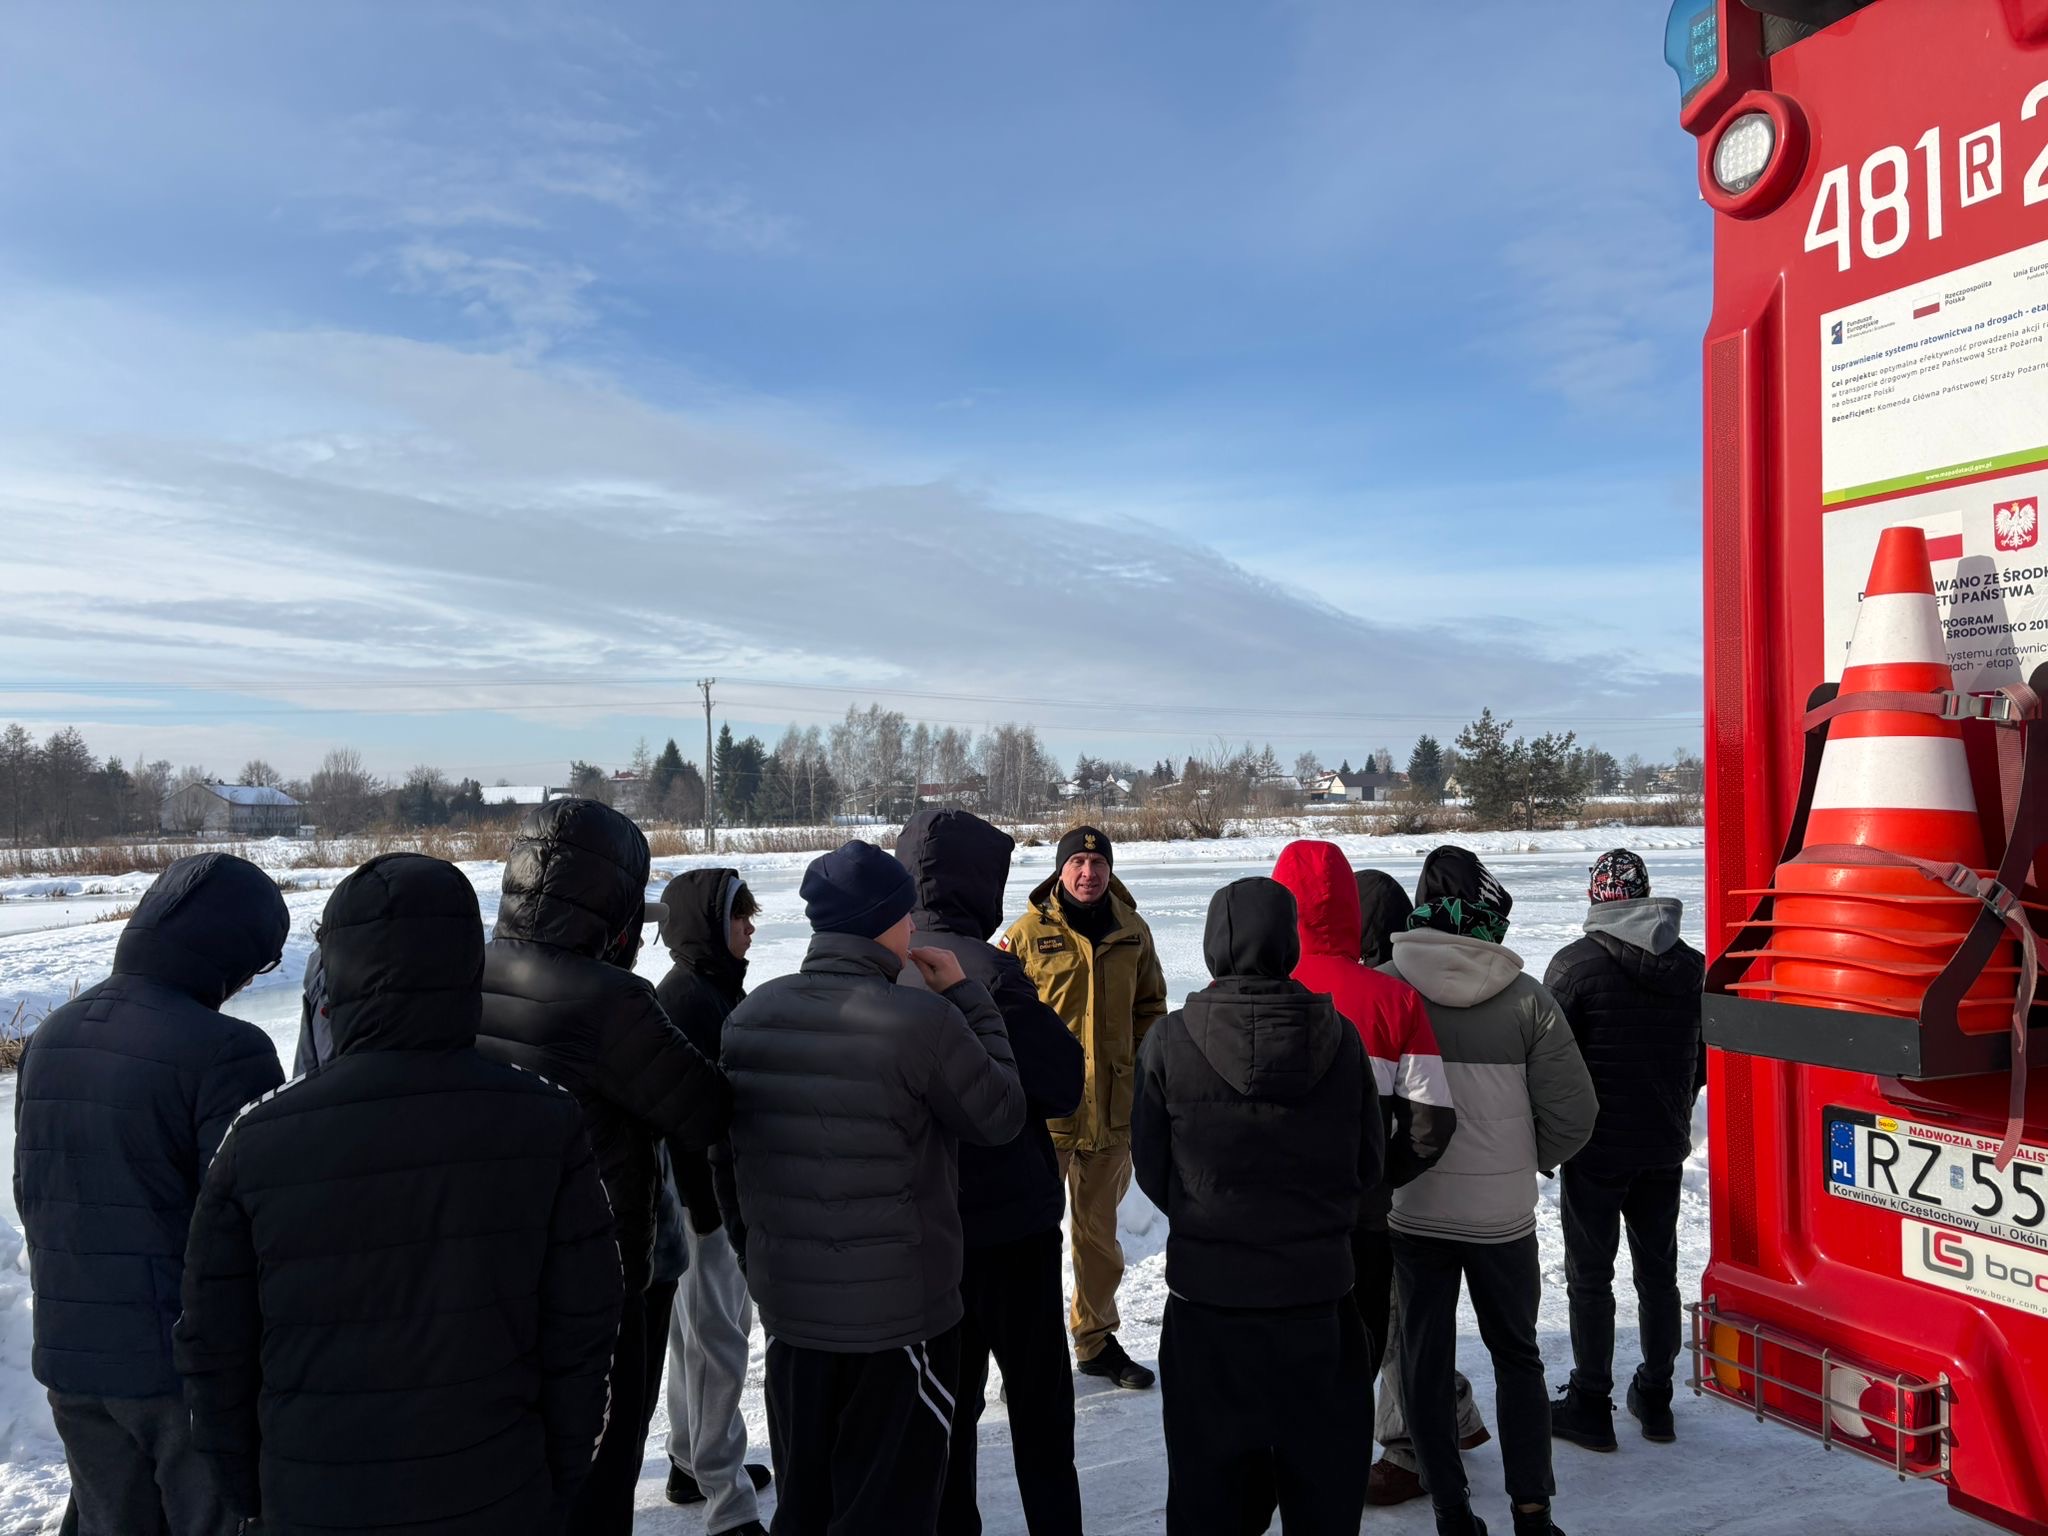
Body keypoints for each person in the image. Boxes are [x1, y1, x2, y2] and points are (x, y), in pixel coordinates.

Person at [174, 853, 623, 1535]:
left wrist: (254, 1490)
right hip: (496, 1491)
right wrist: (554, 1474)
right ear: (464, 965)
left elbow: (213, 1347)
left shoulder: (260, 1138)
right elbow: (584, 1329)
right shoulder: (544, 1119)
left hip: (315, 1499)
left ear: (338, 971)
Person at [720, 840, 1025, 1536]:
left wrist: (761, 1257)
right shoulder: (922, 1021)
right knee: (888, 1507)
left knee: (806, 1505)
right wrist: (967, 996)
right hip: (898, 1328)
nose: (914, 926)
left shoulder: (750, 1017)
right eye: (905, 914)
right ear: (882, 920)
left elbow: (727, 1158)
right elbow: (1001, 1114)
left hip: (795, 1319)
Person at [475, 798, 733, 1536]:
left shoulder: (472, 971)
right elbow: (704, 1110)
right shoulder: (612, 999)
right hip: (607, 1262)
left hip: (499, 1257)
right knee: (606, 1454)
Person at [14, 852, 287, 1536]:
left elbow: (34, 1193)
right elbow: (252, 1227)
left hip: (72, 1356)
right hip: (180, 1373)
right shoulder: (229, 1051)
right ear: (233, 953)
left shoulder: (53, 1034)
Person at [1133, 877, 1384, 1536]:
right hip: (1318, 1304)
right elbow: (1369, 1166)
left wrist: (1209, 1214)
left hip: (1208, 1308)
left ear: (1215, 944)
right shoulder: (1341, 1036)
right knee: (1323, 1497)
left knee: (1208, 1500)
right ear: (1287, 941)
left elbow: (1154, 1169)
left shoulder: (1168, 1041)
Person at [1385, 848, 1597, 1536]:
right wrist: (1524, 1162)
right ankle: (1532, 1513)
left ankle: (1452, 1514)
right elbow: (1574, 1114)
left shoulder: (1388, 988)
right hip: (1502, 1220)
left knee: (1423, 1359)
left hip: (1413, 1212)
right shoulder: (1526, 995)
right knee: (1518, 1358)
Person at [897, 810, 1088, 1536]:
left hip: (928, 1228)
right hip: (1012, 1223)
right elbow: (1063, 1081)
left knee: (949, 1404)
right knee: (1039, 1402)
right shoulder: (991, 971)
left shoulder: (887, 966)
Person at [1543, 850, 1706, 1452]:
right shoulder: (1694, 968)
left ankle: (1590, 1401)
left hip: (1594, 1148)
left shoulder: (1574, 965)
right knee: (1658, 1272)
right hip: (1663, 1143)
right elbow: (1704, 1057)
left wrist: (1554, 1130)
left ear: (1598, 895)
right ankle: (1656, 1397)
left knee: (1590, 1276)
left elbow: (1546, 1061)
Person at [1004, 825, 1168, 1390]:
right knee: (1030, 1236)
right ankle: (1029, 1349)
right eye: (1077, 862)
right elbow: (1001, 1015)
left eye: (1097, 864)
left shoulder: (1133, 932)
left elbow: (1151, 1006)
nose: (1088, 873)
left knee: (1099, 1237)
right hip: (1044, 1114)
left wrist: (1140, 1064)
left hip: (1112, 1112)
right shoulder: (1026, 935)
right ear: (1060, 869)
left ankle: (1095, 1340)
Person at [1348, 867, 1491, 1505]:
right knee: (1407, 1321)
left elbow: (1417, 1109)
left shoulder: (1384, 990)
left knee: (1395, 1322)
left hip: (1402, 1182)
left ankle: (1407, 1449)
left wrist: (1386, 1172)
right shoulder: (1428, 973)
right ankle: (1454, 1410)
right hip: (1456, 1174)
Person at [652, 869, 773, 1536]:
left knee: (696, 1344)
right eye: (739, 917)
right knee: (717, 1348)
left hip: (707, 1200)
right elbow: (688, 1124)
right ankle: (726, 1503)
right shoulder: (689, 998)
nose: (750, 928)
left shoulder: (709, 988)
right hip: (704, 1204)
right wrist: (712, 1218)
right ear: (705, 925)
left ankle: (688, 1463)